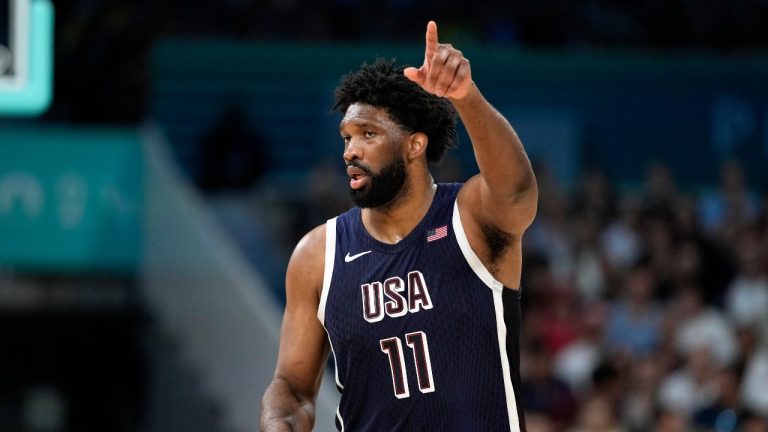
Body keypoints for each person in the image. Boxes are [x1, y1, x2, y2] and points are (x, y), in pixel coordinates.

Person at [260, 20, 538, 431]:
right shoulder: (318, 255)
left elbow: (516, 191)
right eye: (346, 138)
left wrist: (466, 97)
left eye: (368, 134)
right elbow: (294, 388)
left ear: (414, 144)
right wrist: (278, 421)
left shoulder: (471, 219)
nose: (351, 151)